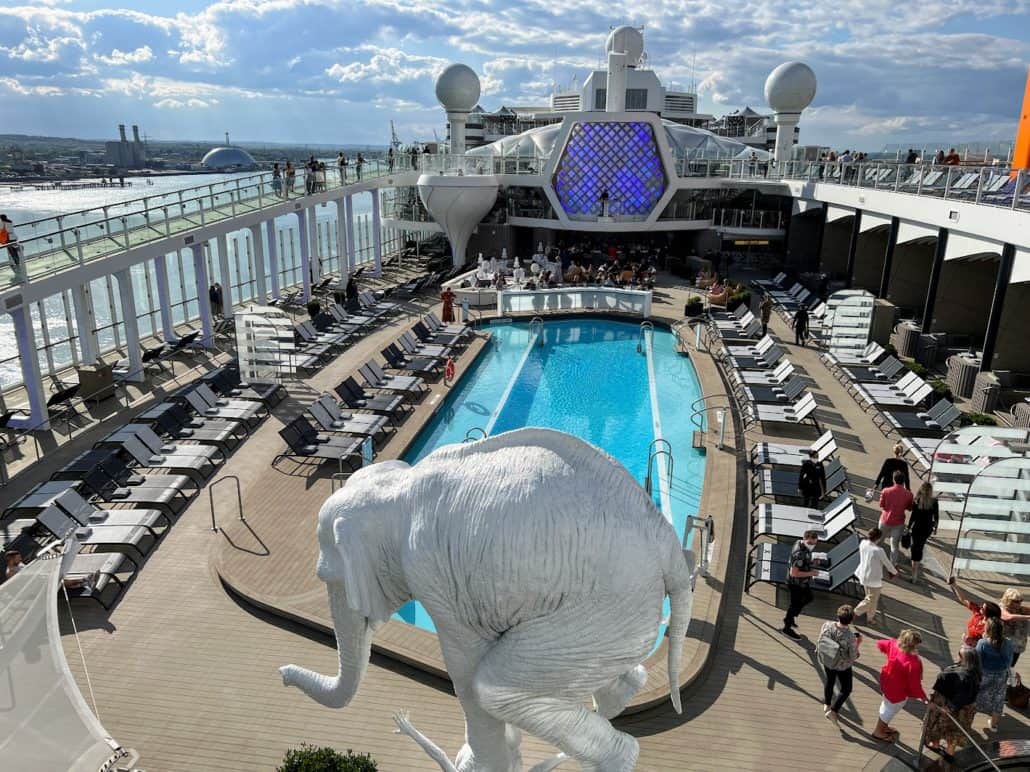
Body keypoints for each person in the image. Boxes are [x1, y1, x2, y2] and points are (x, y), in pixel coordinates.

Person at [922, 649, 981, 756]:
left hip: (946, 703)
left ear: (964, 658)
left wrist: (950, 707)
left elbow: (961, 694)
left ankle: (935, 744)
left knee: (937, 724)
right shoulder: (976, 672)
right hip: (966, 708)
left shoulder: (962, 675)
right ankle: (950, 752)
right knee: (956, 730)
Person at [874, 629, 928, 742]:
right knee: (889, 709)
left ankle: (884, 727)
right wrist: (923, 697)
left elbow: (880, 644)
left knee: (886, 704)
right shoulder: (913, 662)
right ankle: (878, 731)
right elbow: (915, 685)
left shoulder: (893, 644)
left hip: (887, 682)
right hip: (898, 691)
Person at [818, 604, 862, 725]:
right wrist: (858, 643)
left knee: (830, 681)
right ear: (851, 619)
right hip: (842, 665)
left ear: (838, 615)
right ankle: (833, 711)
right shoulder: (850, 637)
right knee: (846, 689)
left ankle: (827, 704)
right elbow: (853, 656)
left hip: (827, 660)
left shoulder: (827, 625)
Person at [782, 529, 822, 640]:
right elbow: (794, 573)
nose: (812, 546)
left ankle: (791, 616)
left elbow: (804, 561)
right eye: (810, 543)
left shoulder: (801, 544)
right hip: (795, 583)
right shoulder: (799, 554)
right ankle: (787, 627)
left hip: (802, 582)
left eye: (814, 543)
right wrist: (811, 573)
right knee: (794, 605)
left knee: (808, 597)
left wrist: (812, 562)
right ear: (804, 539)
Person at [976, 617, 1014, 731]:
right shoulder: (1008, 643)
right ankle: (994, 725)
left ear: (988, 629)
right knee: (998, 699)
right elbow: (1010, 661)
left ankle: (970, 718)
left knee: (977, 696)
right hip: (1001, 675)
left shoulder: (982, 643)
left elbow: (977, 660)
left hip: (984, 674)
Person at [949, 577, 1002, 658]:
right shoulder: (978, 613)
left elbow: (990, 643)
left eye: (983, 608)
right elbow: (964, 600)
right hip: (967, 646)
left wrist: (971, 642)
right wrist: (954, 585)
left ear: (988, 613)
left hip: (978, 652)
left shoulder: (991, 626)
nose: (980, 607)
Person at [854, 527, 897, 626]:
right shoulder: (879, 550)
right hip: (873, 579)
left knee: (871, 599)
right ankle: (854, 613)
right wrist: (894, 572)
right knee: (870, 600)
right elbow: (887, 564)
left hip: (863, 575)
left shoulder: (863, 543)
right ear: (878, 538)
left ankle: (870, 618)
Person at [879, 470, 913, 563]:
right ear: (904, 481)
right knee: (894, 545)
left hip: (885, 520)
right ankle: (892, 565)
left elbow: (881, 505)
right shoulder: (909, 494)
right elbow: (910, 508)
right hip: (898, 522)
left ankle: (874, 559)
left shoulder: (886, 491)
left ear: (894, 480)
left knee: (879, 541)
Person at [907, 482, 938, 584]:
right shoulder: (934, 501)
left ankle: (914, 573)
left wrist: (908, 527)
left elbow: (913, 516)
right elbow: (936, 517)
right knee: (920, 547)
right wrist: (935, 528)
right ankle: (915, 569)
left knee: (915, 547)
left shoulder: (917, 501)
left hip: (917, 528)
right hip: (927, 529)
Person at [999, 588, 1030, 669]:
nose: (1019, 603)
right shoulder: (1001, 608)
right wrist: (1028, 617)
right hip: (1004, 645)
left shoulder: (1020, 609)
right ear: (1008, 600)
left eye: (1021, 600)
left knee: (1010, 668)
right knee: (1002, 667)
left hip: (1017, 645)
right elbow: (1009, 617)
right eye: (1016, 601)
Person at [0, 213, 23, 282]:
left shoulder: (2, 223)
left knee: (11, 251)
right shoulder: (10, 221)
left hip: (8, 239)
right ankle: (18, 262)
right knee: (14, 250)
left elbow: (1, 229)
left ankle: (17, 263)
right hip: (13, 237)